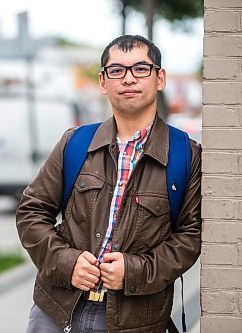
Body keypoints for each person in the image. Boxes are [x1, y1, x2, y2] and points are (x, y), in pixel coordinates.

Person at [16, 34, 202, 333]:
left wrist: (134, 272)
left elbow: (190, 238)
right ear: (103, 82)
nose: (128, 78)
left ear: (160, 78)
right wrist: (67, 263)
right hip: (58, 308)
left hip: (135, 320)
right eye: (117, 71)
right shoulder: (75, 143)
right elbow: (31, 211)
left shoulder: (185, 155)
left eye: (141, 68)